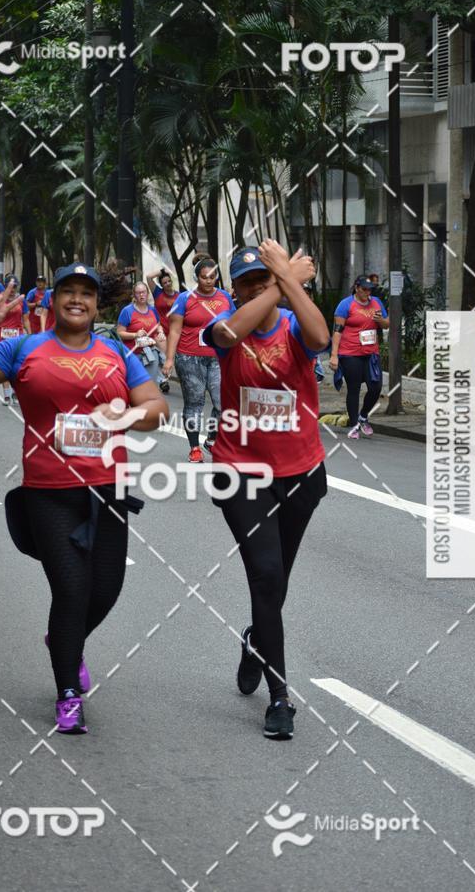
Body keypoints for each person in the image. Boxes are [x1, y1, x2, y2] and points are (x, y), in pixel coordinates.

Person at [0, 262, 168, 734]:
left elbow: (156, 409)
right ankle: (68, 693)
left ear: (97, 304)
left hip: (108, 490)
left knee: (106, 589)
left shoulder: (117, 352)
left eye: (86, 294)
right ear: (53, 299)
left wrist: (119, 417)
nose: (77, 300)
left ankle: (62, 642)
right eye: (68, 291)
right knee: (71, 589)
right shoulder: (24, 348)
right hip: (49, 492)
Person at [202, 241, 329, 740]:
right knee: (266, 575)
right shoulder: (223, 330)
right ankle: (280, 698)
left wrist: (288, 285)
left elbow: (320, 337)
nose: (258, 288)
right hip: (241, 473)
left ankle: (256, 639)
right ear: (234, 289)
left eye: (264, 278)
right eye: (248, 282)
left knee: (275, 586)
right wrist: (283, 276)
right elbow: (231, 331)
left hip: (300, 472)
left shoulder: (294, 323)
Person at [163, 258, 234, 461]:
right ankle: (194, 447)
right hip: (189, 358)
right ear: (197, 278)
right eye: (204, 277)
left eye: (212, 277)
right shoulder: (185, 299)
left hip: (218, 358)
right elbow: (175, 331)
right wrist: (169, 360)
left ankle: (211, 438)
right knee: (194, 403)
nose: (209, 281)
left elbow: (234, 327)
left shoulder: (225, 298)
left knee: (223, 403)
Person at [329, 276, 389, 439]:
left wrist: (380, 320)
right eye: (364, 289)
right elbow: (337, 330)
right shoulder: (346, 305)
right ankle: (354, 424)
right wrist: (334, 355)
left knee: (375, 387)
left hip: (371, 353)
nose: (367, 292)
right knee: (354, 388)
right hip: (350, 353)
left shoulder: (376, 302)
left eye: (370, 289)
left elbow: (387, 324)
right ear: (357, 288)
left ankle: (363, 416)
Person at [116, 282, 165, 385]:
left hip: (151, 353)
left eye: (143, 292)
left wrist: (160, 332)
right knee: (134, 386)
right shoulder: (127, 311)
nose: (141, 295)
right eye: (138, 293)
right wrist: (135, 335)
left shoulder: (152, 310)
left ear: (147, 293)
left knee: (150, 385)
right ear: (134, 295)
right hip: (133, 355)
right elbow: (119, 333)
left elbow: (158, 325)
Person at [0, 275, 30, 406]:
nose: (13, 289)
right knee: (4, 366)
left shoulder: (22, 300)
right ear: (5, 286)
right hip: (1, 336)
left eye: (15, 286)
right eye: (11, 286)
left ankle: (15, 393)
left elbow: (25, 319)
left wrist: (30, 335)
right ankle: (7, 396)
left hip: (17, 337)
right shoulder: (0, 299)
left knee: (17, 367)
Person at [146, 267, 180, 393]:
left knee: (171, 357)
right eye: (164, 283)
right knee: (165, 355)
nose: (167, 284)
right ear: (161, 285)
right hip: (160, 330)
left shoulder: (179, 296)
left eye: (169, 281)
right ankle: (164, 381)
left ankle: (164, 379)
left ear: (171, 281)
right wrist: (162, 270)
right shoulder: (158, 293)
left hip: (174, 331)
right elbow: (149, 277)